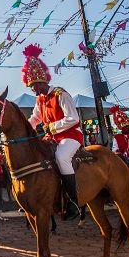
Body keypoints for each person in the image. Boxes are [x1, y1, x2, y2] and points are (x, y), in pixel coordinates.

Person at [21, 43, 83, 220]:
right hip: (52, 138)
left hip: (71, 136)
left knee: (62, 158)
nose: (32, 89)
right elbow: (35, 118)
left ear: (41, 82)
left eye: (33, 86)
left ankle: (73, 201)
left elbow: (74, 118)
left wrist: (53, 127)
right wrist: (24, 128)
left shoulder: (60, 94)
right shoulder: (39, 99)